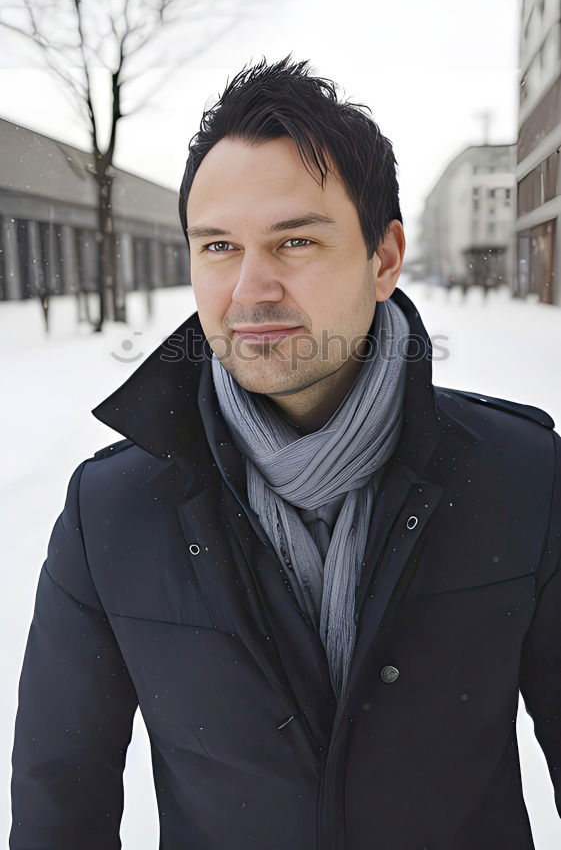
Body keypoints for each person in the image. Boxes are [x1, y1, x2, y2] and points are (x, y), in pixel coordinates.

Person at [10, 57, 561, 849]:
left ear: (382, 257)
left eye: (294, 239)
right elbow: (58, 804)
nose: (249, 290)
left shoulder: (525, 481)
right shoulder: (111, 513)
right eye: (219, 247)